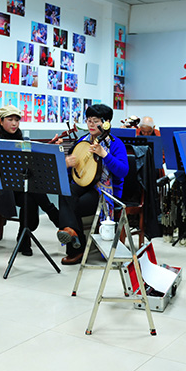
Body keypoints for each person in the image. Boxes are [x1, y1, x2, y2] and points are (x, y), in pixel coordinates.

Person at [0, 105, 60, 256]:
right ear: (1, 121)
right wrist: (0, 160)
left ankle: (23, 239)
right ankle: (54, 215)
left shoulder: (23, 140)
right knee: (31, 191)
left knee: (29, 198)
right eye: (10, 119)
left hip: (16, 186)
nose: (14, 123)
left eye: (17, 120)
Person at [57, 104, 129, 265]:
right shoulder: (82, 142)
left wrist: (104, 155)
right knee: (65, 191)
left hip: (104, 190)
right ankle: (72, 234)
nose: (90, 124)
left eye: (95, 121)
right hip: (83, 184)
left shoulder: (115, 144)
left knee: (73, 204)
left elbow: (123, 171)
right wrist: (67, 164)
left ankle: (75, 247)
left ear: (106, 122)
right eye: (88, 120)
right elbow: (73, 172)